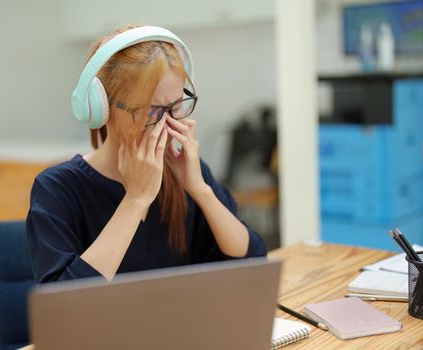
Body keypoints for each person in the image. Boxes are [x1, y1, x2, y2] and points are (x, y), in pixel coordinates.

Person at [26, 25, 267, 283]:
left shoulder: (186, 174)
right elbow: (62, 302)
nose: (168, 124)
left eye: (176, 105)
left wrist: (200, 190)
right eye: (152, 110)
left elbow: (252, 261)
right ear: (102, 108)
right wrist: (136, 199)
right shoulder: (57, 189)